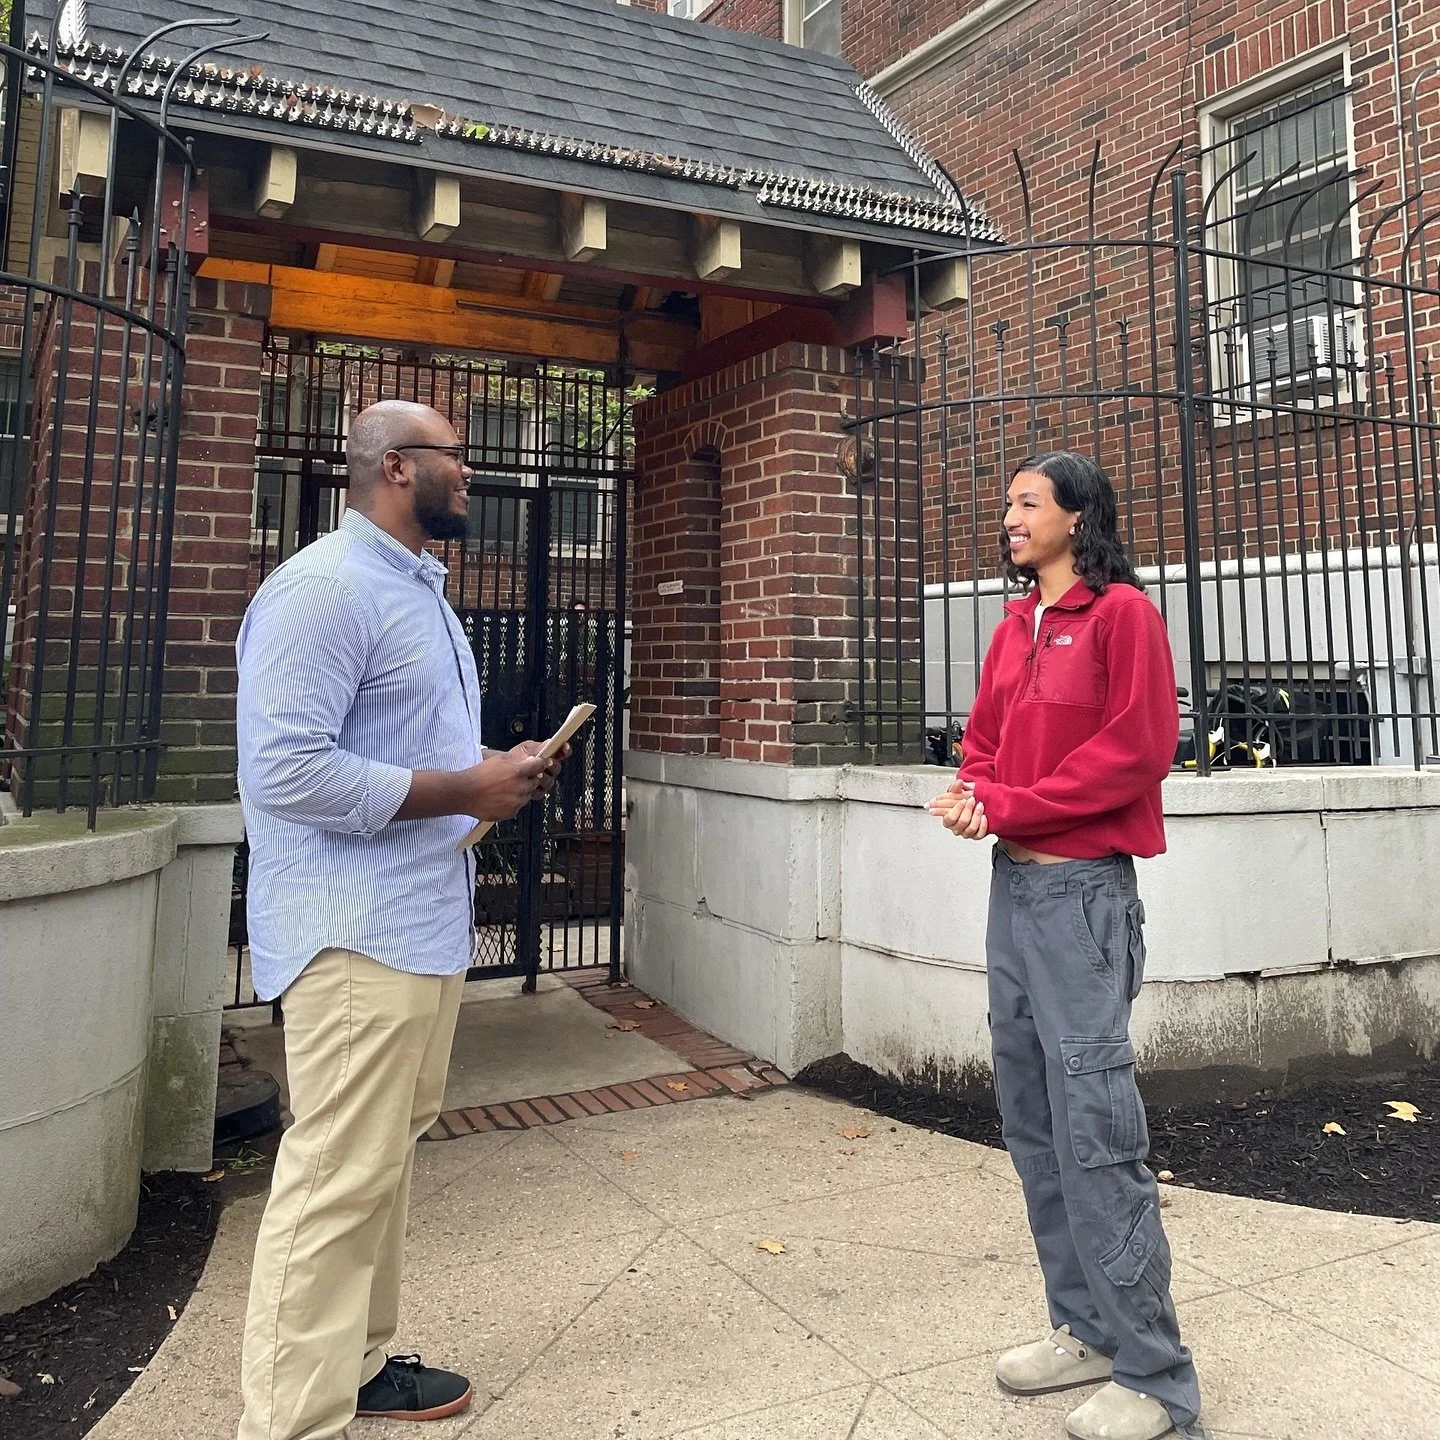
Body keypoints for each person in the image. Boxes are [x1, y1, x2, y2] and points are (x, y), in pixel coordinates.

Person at [234, 400, 565, 1440]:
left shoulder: (416, 587)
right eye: (454, 456)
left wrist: (492, 774)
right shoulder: (324, 589)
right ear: (393, 467)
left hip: (420, 921)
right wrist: (466, 788)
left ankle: (361, 1366)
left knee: (379, 1158)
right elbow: (286, 771)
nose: (470, 472)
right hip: (353, 933)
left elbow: (402, 750)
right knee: (335, 1177)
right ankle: (290, 1421)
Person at [928, 452, 1203, 1440]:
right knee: (1033, 1118)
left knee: (1096, 1131)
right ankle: (1085, 1328)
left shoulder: (1123, 616)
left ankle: (1157, 1377)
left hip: (1082, 898)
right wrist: (976, 794)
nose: (1009, 516)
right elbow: (985, 742)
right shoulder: (1015, 626)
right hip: (1014, 891)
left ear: (1078, 517)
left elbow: (1136, 750)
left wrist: (1009, 802)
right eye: (1006, 503)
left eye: (1027, 502)